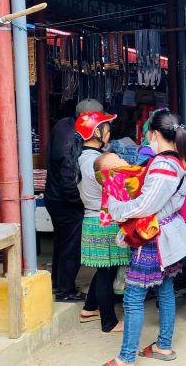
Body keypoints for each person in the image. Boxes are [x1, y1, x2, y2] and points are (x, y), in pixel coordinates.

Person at [104, 110, 186, 366]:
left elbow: (146, 205)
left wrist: (116, 208)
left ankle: (126, 357)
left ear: (154, 134)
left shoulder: (164, 165)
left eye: (149, 134)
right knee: (165, 289)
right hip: (167, 233)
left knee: (134, 297)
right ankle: (163, 346)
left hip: (153, 237)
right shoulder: (178, 160)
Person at [72, 111, 129, 334]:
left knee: (104, 269)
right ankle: (109, 322)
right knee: (107, 274)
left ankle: (89, 308)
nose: (109, 131)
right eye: (106, 127)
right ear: (97, 132)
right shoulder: (97, 161)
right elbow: (117, 190)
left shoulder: (82, 157)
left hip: (92, 217)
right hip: (105, 219)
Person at [46, 98, 104, 302]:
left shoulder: (63, 125)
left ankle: (57, 282)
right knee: (72, 245)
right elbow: (69, 176)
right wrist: (80, 202)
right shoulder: (73, 138)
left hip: (53, 196)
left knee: (62, 242)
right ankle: (65, 290)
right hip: (66, 200)